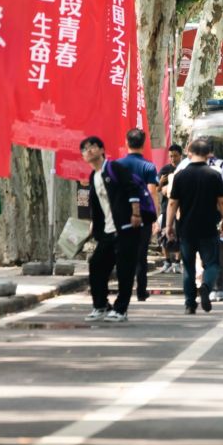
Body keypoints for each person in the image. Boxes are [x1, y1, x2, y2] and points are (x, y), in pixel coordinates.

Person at [78, 135, 141, 322]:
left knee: (124, 270)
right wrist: (94, 225)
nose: (88, 151)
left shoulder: (114, 168)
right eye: (84, 149)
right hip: (107, 231)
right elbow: (98, 205)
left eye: (92, 147)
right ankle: (101, 305)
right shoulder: (93, 176)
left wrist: (135, 213)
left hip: (125, 227)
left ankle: (121, 309)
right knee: (96, 264)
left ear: (102, 150)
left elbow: (132, 189)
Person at [167, 135, 223, 313]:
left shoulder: (180, 175)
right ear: (208, 154)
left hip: (186, 229)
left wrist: (169, 226)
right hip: (208, 228)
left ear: (189, 153)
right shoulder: (214, 175)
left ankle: (189, 304)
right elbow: (222, 202)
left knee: (188, 267)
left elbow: (172, 203)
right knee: (212, 264)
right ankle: (206, 286)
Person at [121, 129, 163, 302]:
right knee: (141, 254)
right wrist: (156, 217)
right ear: (144, 144)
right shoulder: (148, 167)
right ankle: (140, 291)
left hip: (122, 215)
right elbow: (152, 192)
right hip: (144, 216)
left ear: (126, 142)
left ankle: (124, 289)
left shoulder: (117, 165)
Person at [157, 141, 185, 267]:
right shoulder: (165, 170)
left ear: (181, 155)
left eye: (175, 156)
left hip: (181, 207)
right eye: (171, 156)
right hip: (166, 207)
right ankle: (167, 260)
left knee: (179, 233)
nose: (173, 158)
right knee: (164, 233)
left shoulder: (184, 169)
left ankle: (177, 261)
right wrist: (161, 182)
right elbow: (156, 188)